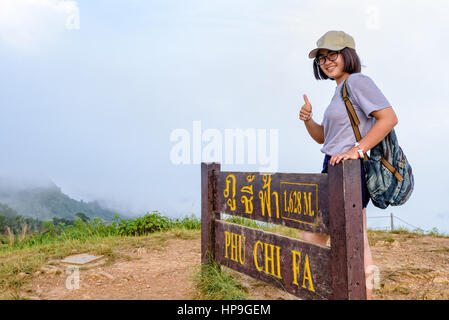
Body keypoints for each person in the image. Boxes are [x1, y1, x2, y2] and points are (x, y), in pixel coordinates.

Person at [299, 30, 398, 300]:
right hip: (334, 166)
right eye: (322, 58)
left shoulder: (357, 82)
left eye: (333, 55)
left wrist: (357, 150)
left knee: (328, 239)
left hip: (351, 170)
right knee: (351, 239)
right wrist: (308, 120)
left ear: (348, 55)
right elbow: (325, 139)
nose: (327, 61)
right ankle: (353, 293)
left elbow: (388, 118)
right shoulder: (339, 90)